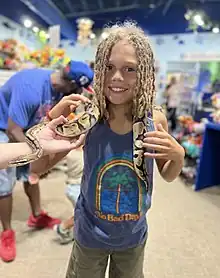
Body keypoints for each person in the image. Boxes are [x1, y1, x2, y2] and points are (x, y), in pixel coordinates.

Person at [31, 22, 185, 278]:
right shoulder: (86, 118)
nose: (117, 77)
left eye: (129, 69)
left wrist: (178, 156)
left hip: (133, 235)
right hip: (90, 233)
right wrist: (50, 123)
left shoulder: (154, 120)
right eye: (109, 67)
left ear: (145, 73)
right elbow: (37, 168)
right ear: (99, 70)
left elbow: (167, 175)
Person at [0, 61, 93, 263]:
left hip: (28, 127)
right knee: (5, 182)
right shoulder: (30, 89)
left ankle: (36, 215)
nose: (82, 94)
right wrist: (39, 153)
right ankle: (7, 232)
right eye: (81, 89)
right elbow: (12, 130)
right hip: (5, 127)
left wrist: (42, 160)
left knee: (31, 175)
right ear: (72, 84)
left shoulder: (60, 89)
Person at [0, 116, 85, 170]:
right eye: (17, 163)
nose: (15, 163)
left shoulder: (37, 150)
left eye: (17, 162)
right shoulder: (37, 152)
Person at [53, 146, 84, 244]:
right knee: (85, 214)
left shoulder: (70, 152)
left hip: (73, 187)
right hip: (76, 188)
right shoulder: (80, 153)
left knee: (84, 213)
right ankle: (62, 228)